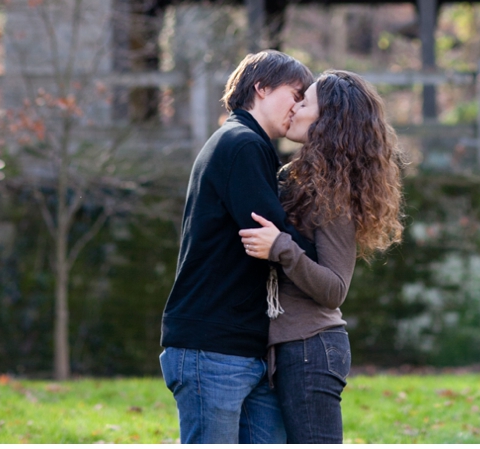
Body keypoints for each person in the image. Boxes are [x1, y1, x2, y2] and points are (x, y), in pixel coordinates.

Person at [160, 49, 316, 445]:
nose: (299, 107)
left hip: (241, 348)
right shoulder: (241, 143)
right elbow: (268, 231)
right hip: (211, 348)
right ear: (261, 88)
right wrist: (317, 261)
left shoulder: (248, 144)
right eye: (296, 94)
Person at [239, 70, 404, 444]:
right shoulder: (299, 178)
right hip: (289, 349)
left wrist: (281, 247)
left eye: (305, 102)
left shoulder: (333, 194)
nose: (295, 108)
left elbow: (335, 288)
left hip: (312, 350)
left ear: (326, 121)